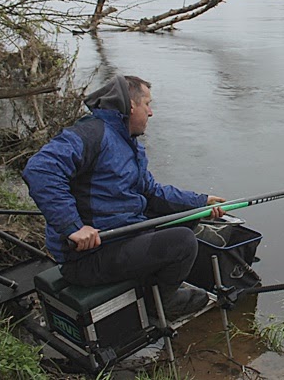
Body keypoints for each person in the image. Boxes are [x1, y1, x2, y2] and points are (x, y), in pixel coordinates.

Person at [22, 75, 225, 319]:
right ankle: (162, 304)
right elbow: (40, 170)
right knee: (183, 242)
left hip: (122, 235)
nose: (150, 113)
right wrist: (73, 227)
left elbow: (151, 192)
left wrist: (201, 202)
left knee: (187, 218)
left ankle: (153, 284)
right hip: (87, 256)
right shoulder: (91, 134)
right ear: (131, 106)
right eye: (147, 104)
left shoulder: (128, 142)